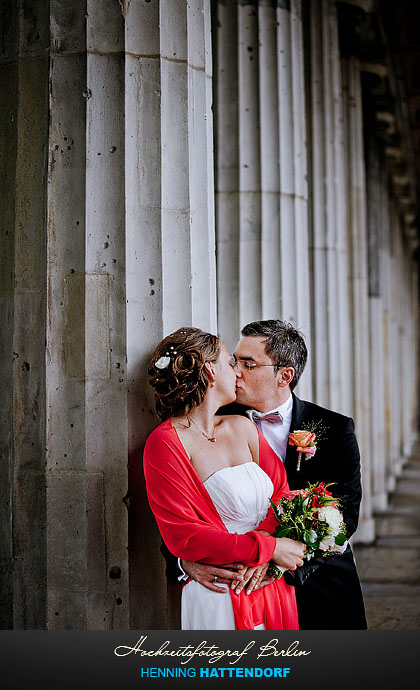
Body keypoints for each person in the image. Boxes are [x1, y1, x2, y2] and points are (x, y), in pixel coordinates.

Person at [164, 320, 367, 630]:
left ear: (284, 376)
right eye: (233, 361)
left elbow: (344, 516)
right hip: (233, 588)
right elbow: (177, 505)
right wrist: (182, 562)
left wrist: (276, 562)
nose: (236, 370)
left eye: (248, 363)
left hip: (319, 586)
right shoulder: (206, 423)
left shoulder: (334, 429)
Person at [142, 327, 305, 630]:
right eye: (232, 363)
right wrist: (268, 548)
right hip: (219, 588)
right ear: (210, 372)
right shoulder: (165, 443)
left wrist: (270, 549)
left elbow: (281, 491)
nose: (238, 373)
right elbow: (184, 536)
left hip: (269, 579)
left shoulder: (241, 426)